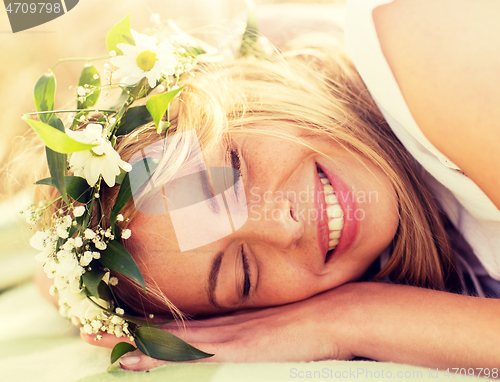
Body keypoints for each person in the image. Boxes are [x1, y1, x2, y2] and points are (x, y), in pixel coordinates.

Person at [33, 0, 500, 372]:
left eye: (234, 171)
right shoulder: (394, 250)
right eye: (245, 273)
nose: (284, 226)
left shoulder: (427, 50)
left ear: (251, 90)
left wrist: (356, 316)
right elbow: (55, 277)